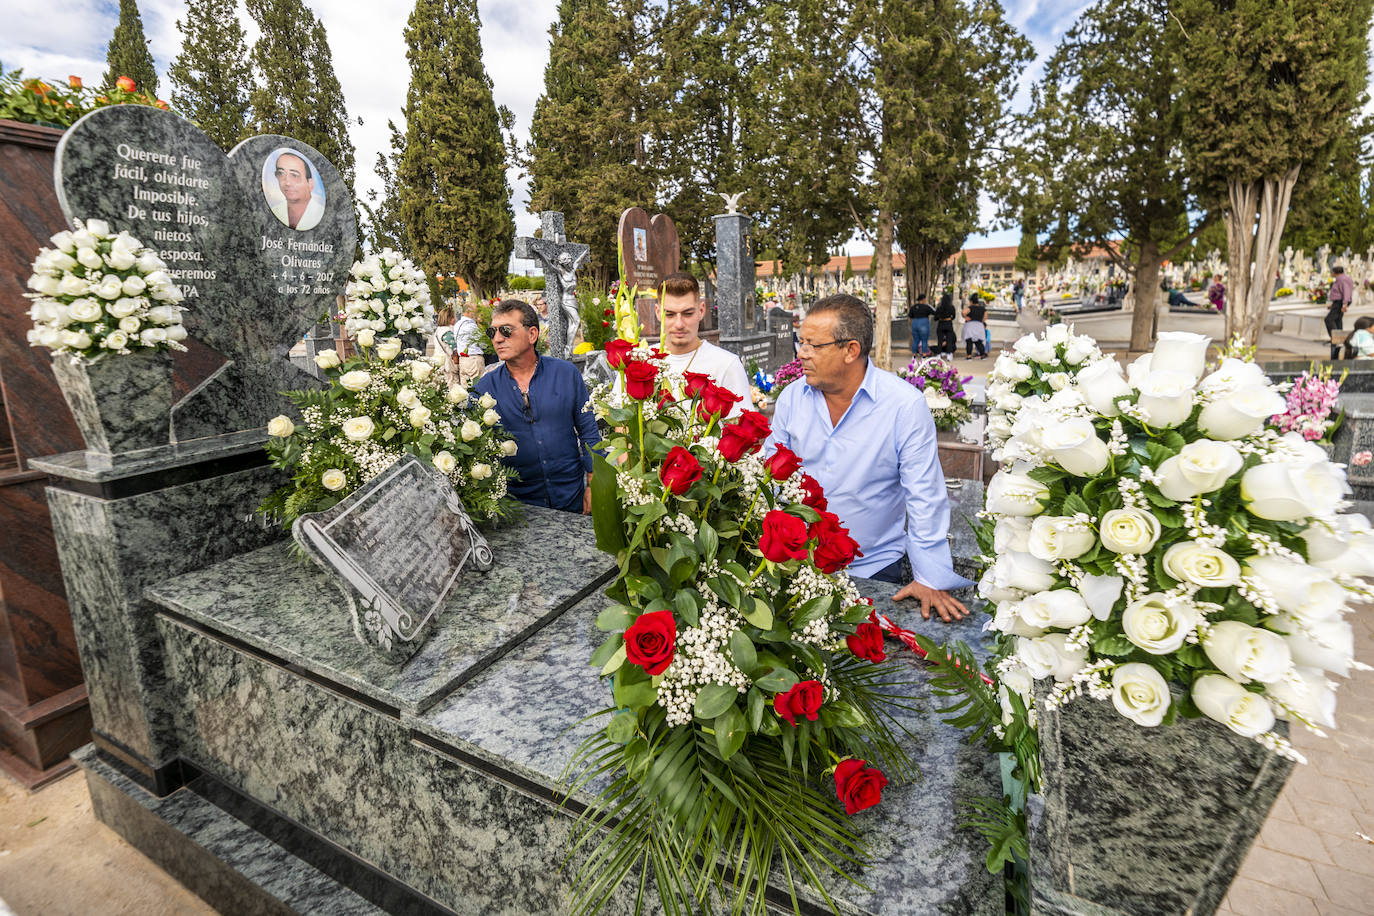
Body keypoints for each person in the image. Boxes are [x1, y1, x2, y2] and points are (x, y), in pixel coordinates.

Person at [767, 294, 972, 621]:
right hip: (796, 562)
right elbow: (770, 475)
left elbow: (924, 495)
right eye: (800, 342)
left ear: (851, 350)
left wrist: (930, 577)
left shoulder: (903, 406)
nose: (801, 353)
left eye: (813, 345)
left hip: (872, 566)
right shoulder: (792, 398)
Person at [475, 300, 600, 514]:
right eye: (492, 332)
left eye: (506, 331)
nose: (497, 339)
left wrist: (594, 484)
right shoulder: (485, 388)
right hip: (519, 506)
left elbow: (588, 431)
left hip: (571, 497)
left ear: (532, 334)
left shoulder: (566, 374)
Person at [653, 271, 751, 415]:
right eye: (670, 314)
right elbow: (622, 427)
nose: (679, 324)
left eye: (688, 314)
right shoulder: (640, 361)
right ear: (657, 312)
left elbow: (742, 428)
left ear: (701, 310)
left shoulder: (727, 365)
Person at [269, 151, 324, 231]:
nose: (287, 183)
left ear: (310, 184)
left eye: (294, 175)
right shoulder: (273, 212)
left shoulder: (321, 215)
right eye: (281, 173)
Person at [1328, 265, 1354, 360]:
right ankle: (1337, 336)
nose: (1331, 273)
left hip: (1340, 302)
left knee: (1329, 319)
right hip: (1337, 302)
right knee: (1337, 320)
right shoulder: (1340, 279)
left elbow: (1346, 292)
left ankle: (1337, 337)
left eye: (1332, 272)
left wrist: (1344, 304)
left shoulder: (1343, 279)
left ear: (1335, 272)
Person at [934, 291, 957, 356]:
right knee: (949, 340)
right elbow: (954, 316)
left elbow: (935, 318)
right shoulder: (952, 307)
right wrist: (949, 318)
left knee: (940, 340)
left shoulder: (939, 307)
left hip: (941, 324)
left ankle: (938, 354)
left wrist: (940, 317)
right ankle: (949, 355)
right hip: (948, 324)